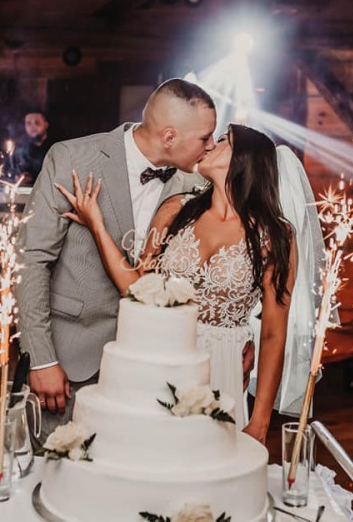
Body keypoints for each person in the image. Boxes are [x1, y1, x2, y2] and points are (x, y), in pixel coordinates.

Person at [16, 79, 259, 441]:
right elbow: (31, 260)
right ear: (169, 136)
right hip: (71, 362)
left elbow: (234, 259)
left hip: (157, 370)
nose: (211, 146)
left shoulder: (196, 183)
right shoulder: (71, 158)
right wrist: (42, 359)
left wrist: (242, 334)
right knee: (58, 465)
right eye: (205, 137)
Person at [56, 123, 323, 444]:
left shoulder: (276, 236)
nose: (209, 145)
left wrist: (261, 421)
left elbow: (273, 333)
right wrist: (97, 225)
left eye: (223, 141)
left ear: (246, 160)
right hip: (162, 352)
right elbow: (137, 289)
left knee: (207, 458)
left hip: (221, 365)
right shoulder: (176, 209)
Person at [11, 108, 55, 185]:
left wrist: (32, 179)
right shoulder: (17, 152)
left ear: (46, 125)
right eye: (28, 123)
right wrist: (17, 179)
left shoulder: (56, 149)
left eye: (37, 123)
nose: (33, 126)